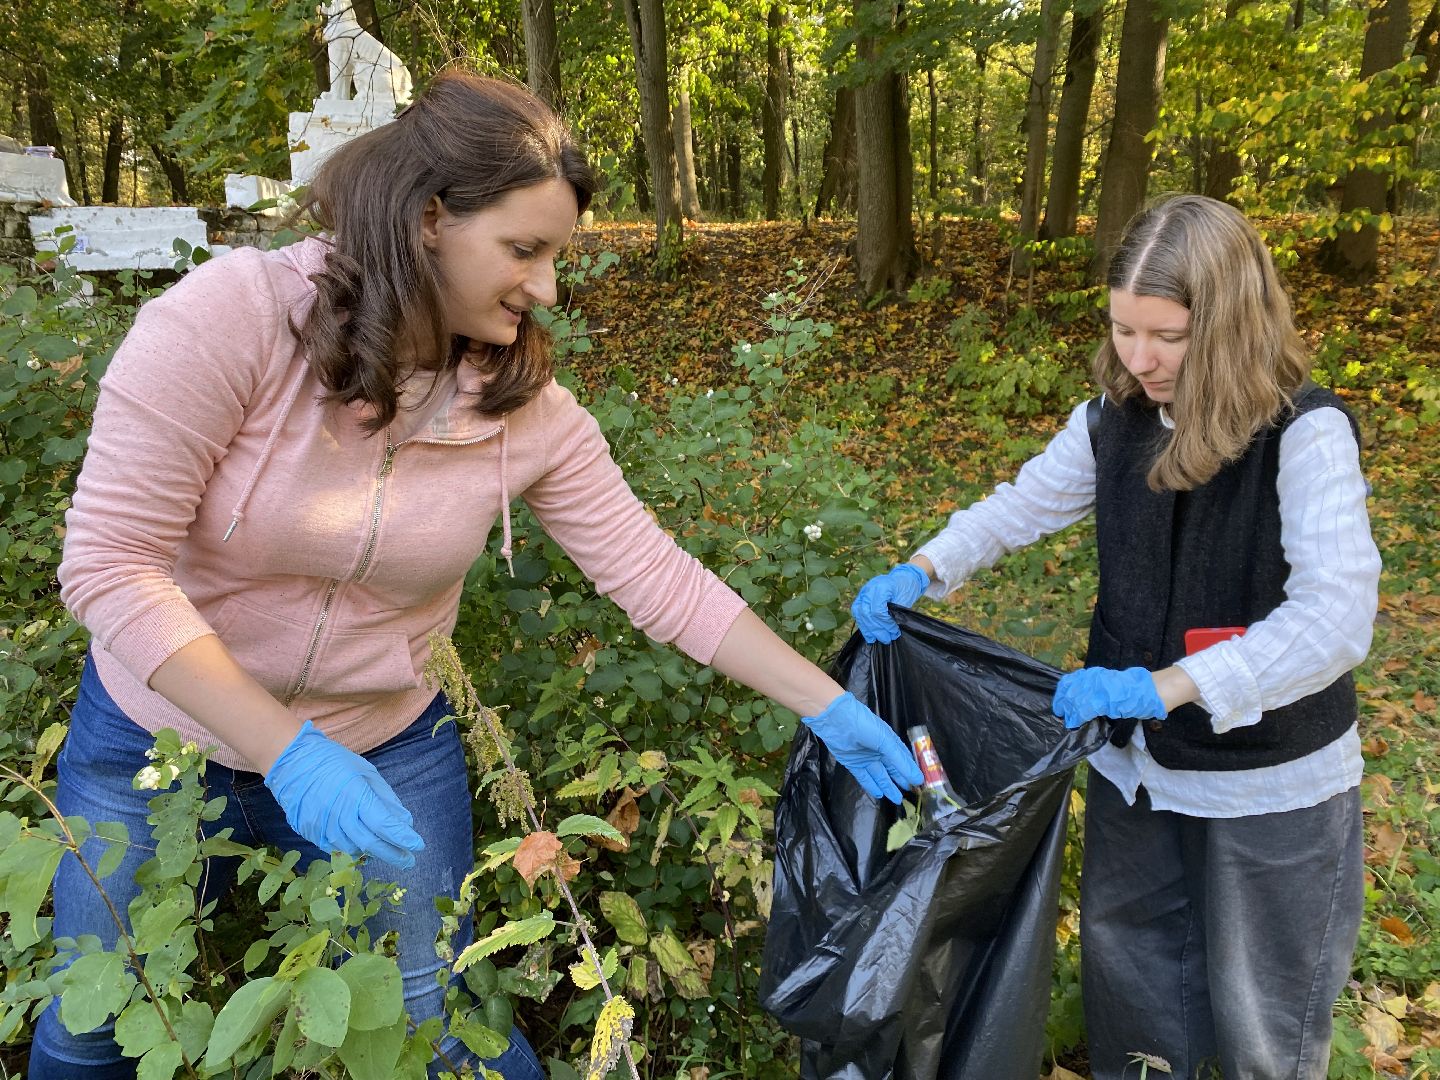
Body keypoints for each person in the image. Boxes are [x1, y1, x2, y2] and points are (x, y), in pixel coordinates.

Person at [37, 71, 922, 1080]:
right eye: (523, 250)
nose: (548, 288)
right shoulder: (233, 319)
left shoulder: (523, 407)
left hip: (381, 742)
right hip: (153, 738)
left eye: (557, 256)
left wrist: (825, 705)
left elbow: (655, 575)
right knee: (91, 1029)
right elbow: (109, 563)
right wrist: (285, 749)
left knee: (435, 1025)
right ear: (429, 220)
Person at [850, 194, 1380, 1080]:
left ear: (1230, 324)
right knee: (1136, 998)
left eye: (1167, 336)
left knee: (1266, 1024)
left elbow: (1335, 619)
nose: (1140, 358)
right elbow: (1022, 506)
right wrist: (925, 567)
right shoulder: (1115, 418)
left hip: (1270, 787)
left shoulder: (1307, 434)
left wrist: (1164, 686)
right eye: (1123, 330)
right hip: (1140, 775)